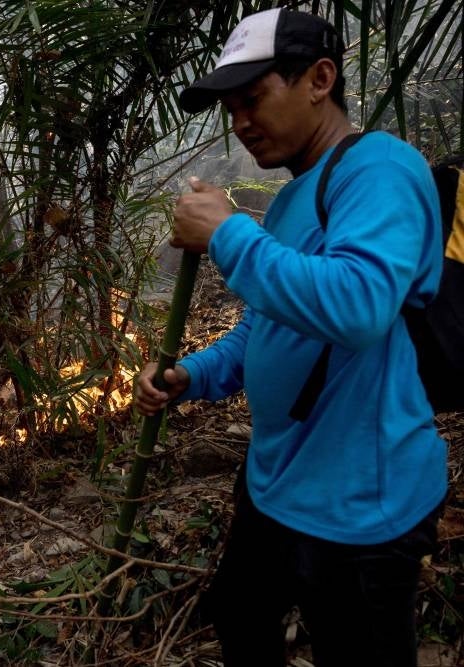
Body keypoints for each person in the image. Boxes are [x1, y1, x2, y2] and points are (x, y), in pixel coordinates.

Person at [133, 8, 446, 667]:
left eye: (254, 98)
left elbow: (360, 305)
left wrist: (225, 232)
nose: (240, 121)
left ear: (320, 79)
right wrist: (195, 373)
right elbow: (267, 328)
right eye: (231, 107)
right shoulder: (289, 200)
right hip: (278, 483)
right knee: (239, 612)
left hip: (358, 505)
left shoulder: (381, 170)